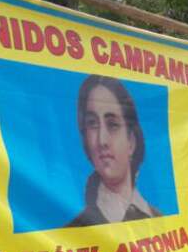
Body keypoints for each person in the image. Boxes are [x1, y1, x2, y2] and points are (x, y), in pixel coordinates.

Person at [68, 75, 162, 227]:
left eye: (112, 124)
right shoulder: (73, 231)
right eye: (92, 124)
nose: (102, 140)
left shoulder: (160, 220)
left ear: (131, 141)